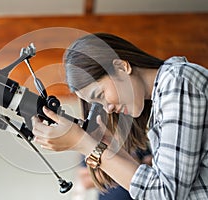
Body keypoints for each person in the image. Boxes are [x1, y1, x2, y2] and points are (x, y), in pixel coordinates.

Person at [32, 33, 208, 199]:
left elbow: (165, 194)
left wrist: (85, 145)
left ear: (122, 66)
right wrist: (107, 147)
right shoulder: (164, 99)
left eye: (100, 95)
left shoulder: (177, 83)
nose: (107, 109)